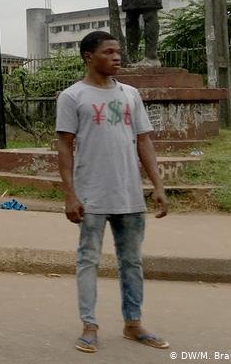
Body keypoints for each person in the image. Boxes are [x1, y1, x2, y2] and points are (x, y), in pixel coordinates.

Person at [55, 31, 170, 354]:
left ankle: (133, 323)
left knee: (132, 261)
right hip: (91, 195)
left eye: (119, 51)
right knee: (88, 260)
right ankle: (89, 325)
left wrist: (157, 186)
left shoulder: (130, 94)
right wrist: (70, 194)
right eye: (109, 52)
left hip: (129, 195)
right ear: (88, 56)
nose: (117, 57)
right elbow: (64, 147)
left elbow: (144, 141)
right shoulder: (72, 96)